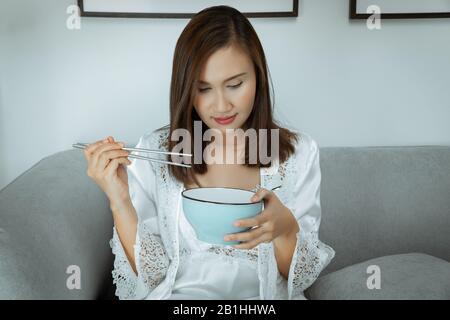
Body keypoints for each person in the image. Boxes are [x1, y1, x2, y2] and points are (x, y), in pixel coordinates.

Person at [83, 5, 335, 300]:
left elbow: (299, 279)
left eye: (235, 85)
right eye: (203, 89)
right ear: (185, 89)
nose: (221, 106)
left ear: (259, 78)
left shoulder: (297, 155)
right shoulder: (156, 152)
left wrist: (284, 228)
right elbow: (151, 276)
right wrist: (119, 199)